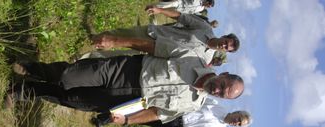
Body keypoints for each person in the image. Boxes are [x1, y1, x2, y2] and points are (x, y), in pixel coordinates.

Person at [10, 46, 244, 124]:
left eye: (223, 94)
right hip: (127, 71)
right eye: (223, 85)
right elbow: (155, 47)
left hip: (129, 101)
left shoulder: (193, 105)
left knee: (71, 99)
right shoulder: (193, 57)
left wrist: (128, 119)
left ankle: (25, 91)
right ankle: (31, 69)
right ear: (224, 75)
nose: (218, 90)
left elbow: (156, 113)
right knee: (68, 76)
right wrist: (116, 41)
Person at [95, 7, 239, 64]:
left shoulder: (206, 59)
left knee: (115, 57)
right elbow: (181, 17)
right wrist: (160, 10)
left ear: (225, 51)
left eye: (226, 48)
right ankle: (93, 39)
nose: (224, 45)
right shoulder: (205, 28)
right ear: (224, 36)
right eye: (226, 42)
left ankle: (84, 58)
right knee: (118, 35)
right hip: (152, 34)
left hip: (153, 54)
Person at [104, 98, 252, 127]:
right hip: (176, 111)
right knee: (142, 109)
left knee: (144, 121)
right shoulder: (216, 105)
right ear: (236, 112)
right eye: (238, 118)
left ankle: (110, 119)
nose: (236, 122)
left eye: (239, 124)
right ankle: (109, 112)